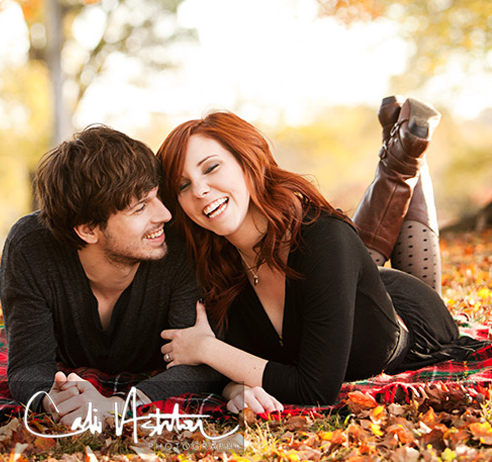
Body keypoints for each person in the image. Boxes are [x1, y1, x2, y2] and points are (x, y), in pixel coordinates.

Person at [157, 98, 485, 414]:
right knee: (357, 258)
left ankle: (406, 164)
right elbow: (241, 365)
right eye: (183, 185)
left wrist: (206, 349)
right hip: (347, 289)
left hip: (412, 325)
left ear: (248, 162)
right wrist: (236, 389)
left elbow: (315, 390)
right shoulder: (214, 264)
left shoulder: (324, 237)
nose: (199, 190)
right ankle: (399, 157)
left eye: (211, 168)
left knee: (346, 249)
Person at [0, 125, 223, 427]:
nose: (164, 215)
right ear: (88, 229)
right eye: (140, 207)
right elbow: (28, 366)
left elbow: (202, 364)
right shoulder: (30, 248)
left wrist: (120, 405)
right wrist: (54, 401)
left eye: (156, 196)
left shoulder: (179, 246)